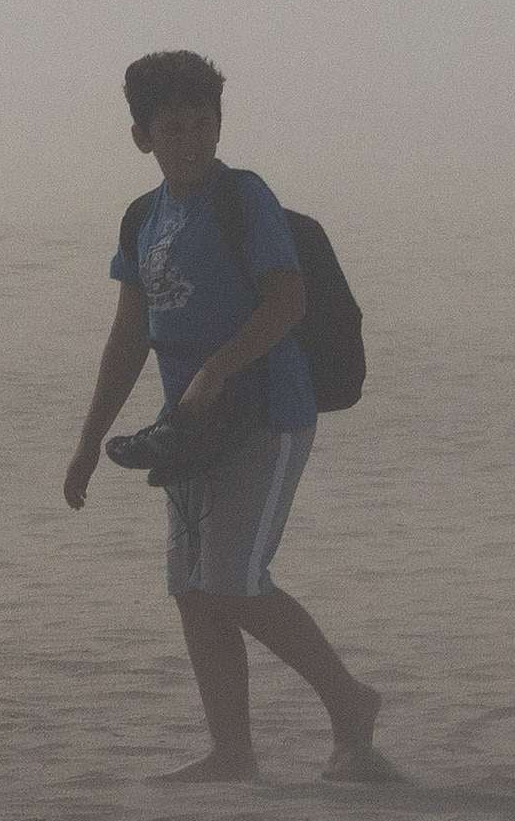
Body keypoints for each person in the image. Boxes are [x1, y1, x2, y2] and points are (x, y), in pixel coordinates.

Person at [63, 50, 394, 783]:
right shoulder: (143, 218)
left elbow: (288, 301)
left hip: (268, 411)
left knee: (235, 579)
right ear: (141, 135)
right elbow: (127, 336)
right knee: (191, 587)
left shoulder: (245, 198)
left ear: (220, 124)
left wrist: (217, 368)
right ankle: (232, 750)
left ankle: (351, 702)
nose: (190, 139)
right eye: (173, 126)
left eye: (202, 123)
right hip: (188, 425)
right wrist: (87, 441)